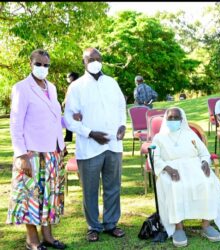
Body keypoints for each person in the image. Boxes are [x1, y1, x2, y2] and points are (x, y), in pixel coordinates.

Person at [64, 48, 126, 242]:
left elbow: (121, 106)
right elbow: (69, 119)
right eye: (91, 59)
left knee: (113, 187)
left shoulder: (112, 82)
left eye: (98, 59)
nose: (95, 62)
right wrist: (90, 133)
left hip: (113, 145)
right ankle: (93, 226)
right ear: (84, 61)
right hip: (90, 147)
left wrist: (123, 125)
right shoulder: (76, 87)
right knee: (90, 190)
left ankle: (111, 223)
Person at [7, 49, 66, 250]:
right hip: (31, 152)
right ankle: (32, 239)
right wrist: (20, 155)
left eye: (46, 65)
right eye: (39, 64)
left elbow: (55, 117)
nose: (43, 68)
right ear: (30, 63)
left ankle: (48, 236)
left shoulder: (53, 87)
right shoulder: (21, 88)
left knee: (49, 196)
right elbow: (15, 123)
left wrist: (63, 141)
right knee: (30, 196)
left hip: (52, 151)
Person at [152, 107, 220, 247]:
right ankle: (178, 227)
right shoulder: (159, 137)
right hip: (171, 169)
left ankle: (206, 225)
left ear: (181, 120)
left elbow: (204, 153)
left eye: (176, 118)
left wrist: (204, 163)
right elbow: (155, 158)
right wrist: (168, 169)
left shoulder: (190, 134)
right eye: (170, 118)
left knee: (207, 182)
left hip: (194, 167)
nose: (173, 121)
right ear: (165, 120)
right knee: (175, 186)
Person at [62, 72, 80, 142]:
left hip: (71, 106)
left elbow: (69, 96)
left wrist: (64, 102)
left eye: (68, 77)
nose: (67, 78)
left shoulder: (73, 85)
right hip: (73, 106)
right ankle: (68, 137)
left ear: (72, 77)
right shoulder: (76, 84)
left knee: (69, 121)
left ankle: (68, 137)